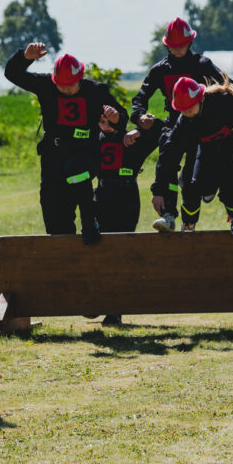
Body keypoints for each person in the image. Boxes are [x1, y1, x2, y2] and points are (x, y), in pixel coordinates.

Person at [5, 42, 127, 244]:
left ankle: (90, 221)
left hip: (86, 154)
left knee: (76, 168)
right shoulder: (45, 85)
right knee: (54, 213)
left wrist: (115, 117)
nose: (67, 89)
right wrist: (24, 58)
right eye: (62, 85)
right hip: (53, 158)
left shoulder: (96, 91)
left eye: (71, 85)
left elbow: (122, 117)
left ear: (80, 78)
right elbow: (13, 74)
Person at [130, 17, 226, 232]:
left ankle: (192, 217)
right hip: (174, 125)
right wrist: (139, 117)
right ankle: (168, 216)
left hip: (201, 126)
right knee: (167, 166)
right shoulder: (160, 70)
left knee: (193, 179)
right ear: (167, 46)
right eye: (174, 46)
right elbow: (140, 98)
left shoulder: (203, 65)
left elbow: (229, 87)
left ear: (190, 42)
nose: (179, 49)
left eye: (182, 45)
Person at [151, 75, 233, 235]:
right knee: (192, 188)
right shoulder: (184, 121)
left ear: (200, 99)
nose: (186, 113)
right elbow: (169, 155)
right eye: (182, 110)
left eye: (189, 109)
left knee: (229, 188)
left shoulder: (225, 101)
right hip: (209, 151)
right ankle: (189, 224)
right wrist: (158, 191)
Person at [90, 117, 164, 326]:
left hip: (126, 197)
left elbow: (161, 129)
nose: (105, 125)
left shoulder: (131, 139)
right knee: (97, 250)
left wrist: (140, 127)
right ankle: (96, 301)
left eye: (110, 121)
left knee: (120, 252)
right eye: (101, 121)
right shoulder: (94, 138)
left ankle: (115, 310)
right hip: (101, 195)